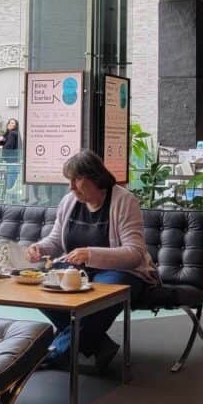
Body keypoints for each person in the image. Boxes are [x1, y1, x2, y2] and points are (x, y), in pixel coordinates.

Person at [26, 150, 157, 371]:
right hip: (79, 271)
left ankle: (55, 351)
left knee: (100, 294)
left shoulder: (124, 201)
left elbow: (135, 253)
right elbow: (56, 240)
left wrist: (90, 254)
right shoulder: (70, 202)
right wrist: (41, 247)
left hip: (124, 272)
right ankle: (99, 344)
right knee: (41, 287)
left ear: (94, 177)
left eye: (76, 179)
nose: (71, 187)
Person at [0, 118, 20, 190]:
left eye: (13, 123)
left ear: (16, 125)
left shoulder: (13, 133)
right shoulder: (8, 134)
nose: (10, 124)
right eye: (9, 123)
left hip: (12, 161)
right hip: (11, 161)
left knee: (9, 184)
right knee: (9, 182)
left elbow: (8, 146)